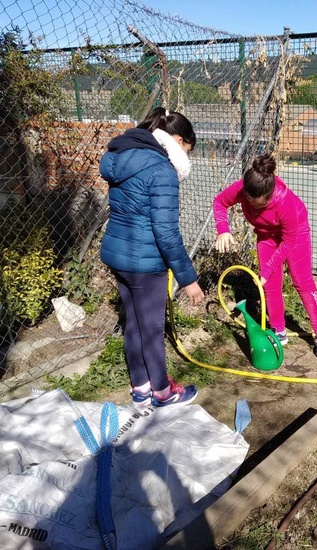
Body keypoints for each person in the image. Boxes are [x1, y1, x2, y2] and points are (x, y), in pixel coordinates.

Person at [100, 106, 205, 407]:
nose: (187, 156)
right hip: (145, 262)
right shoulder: (161, 170)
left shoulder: (123, 157)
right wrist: (189, 279)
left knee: (134, 323)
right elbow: (166, 233)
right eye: (188, 147)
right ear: (176, 139)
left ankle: (141, 388)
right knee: (152, 328)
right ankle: (162, 391)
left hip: (118, 254)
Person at [213, 153, 317, 358]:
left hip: (294, 235)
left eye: (258, 205)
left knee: (302, 281)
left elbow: (288, 242)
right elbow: (220, 202)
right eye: (248, 201)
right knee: (269, 284)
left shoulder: (285, 203)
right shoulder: (243, 188)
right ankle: (278, 329)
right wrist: (223, 228)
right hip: (266, 235)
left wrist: (267, 268)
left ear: (269, 196)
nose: (252, 207)